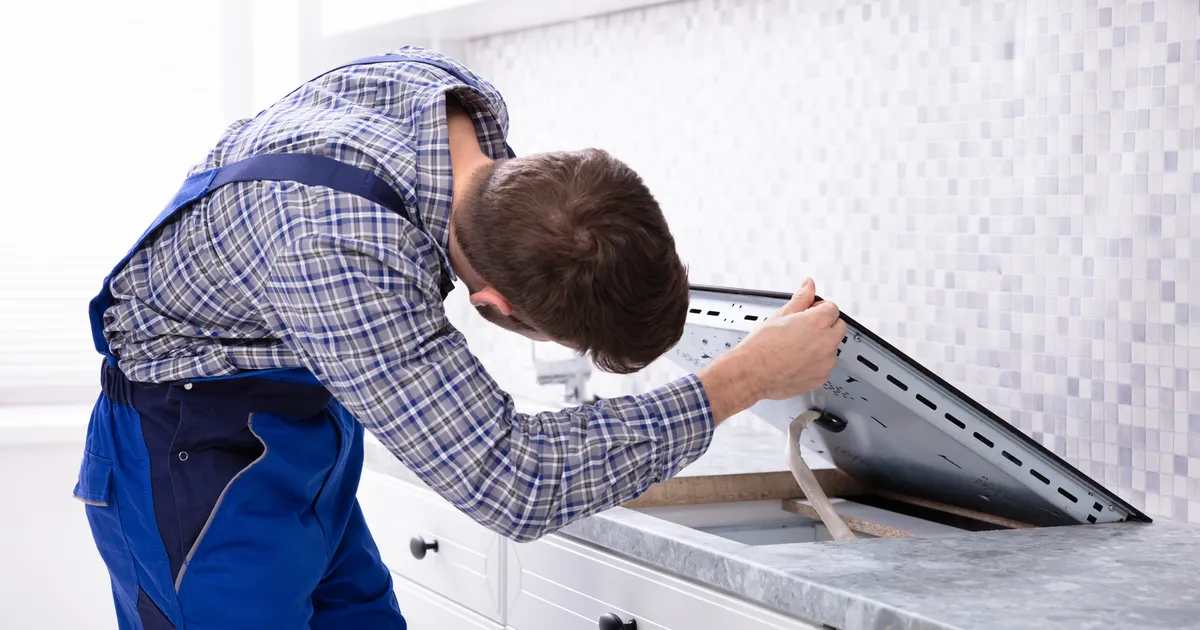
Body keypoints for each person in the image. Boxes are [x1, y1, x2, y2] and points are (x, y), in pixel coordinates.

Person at [74, 46, 845, 629]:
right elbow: (515, 481)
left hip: (301, 431)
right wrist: (742, 380)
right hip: (188, 461)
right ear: (490, 301)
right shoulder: (341, 249)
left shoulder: (450, 104)